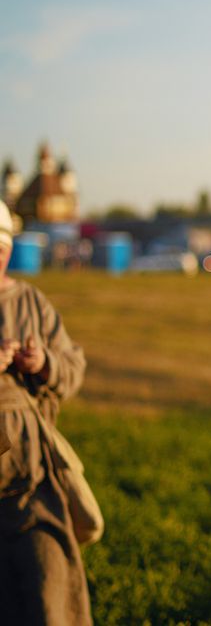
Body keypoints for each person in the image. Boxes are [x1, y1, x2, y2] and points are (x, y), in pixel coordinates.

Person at [0, 200, 90, 625]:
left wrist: (43, 364)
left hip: (29, 477)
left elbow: (73, 367)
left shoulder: (31, 303)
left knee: (46, 577)